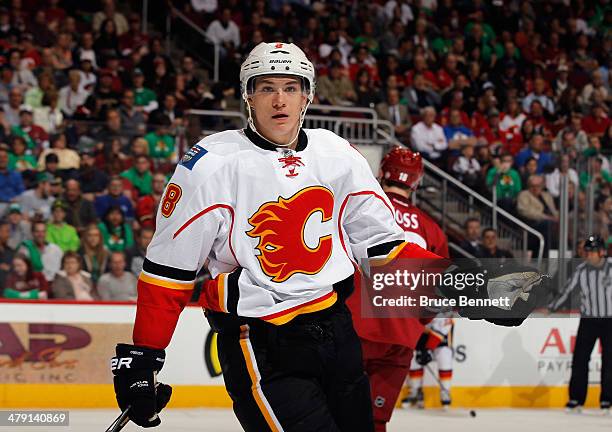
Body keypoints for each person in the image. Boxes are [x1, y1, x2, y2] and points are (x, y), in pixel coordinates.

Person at [110, 42, 543, 431]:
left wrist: (470, 287)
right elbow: (168, 270)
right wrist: (143, 359)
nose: (279, 100)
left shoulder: (336, 153)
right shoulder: (210, 164)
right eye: (266, 88)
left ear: (308, 95)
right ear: (248, 97)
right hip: (262, 341)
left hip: (338, 332)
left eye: (291, 88)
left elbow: (385, 250)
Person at [348, 147, 449, 431]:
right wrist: (421, 330)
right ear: (416, 182)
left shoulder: (361, 208)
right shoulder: (432, 230)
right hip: (400, 337)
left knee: (336, 413)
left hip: (353, 326)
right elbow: (437, 291)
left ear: (382, 173)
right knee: (375, 420)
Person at [549, 235, 612, 414]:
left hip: (610, 321)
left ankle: (607, 400)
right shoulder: (581, 271)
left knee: (609, 361)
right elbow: (567, 291)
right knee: (580, 360)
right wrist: (552, 307)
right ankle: (576, 399)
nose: (589, 255)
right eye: (587, 251)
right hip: (589, 321)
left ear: (602, 252)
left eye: (592, 251)